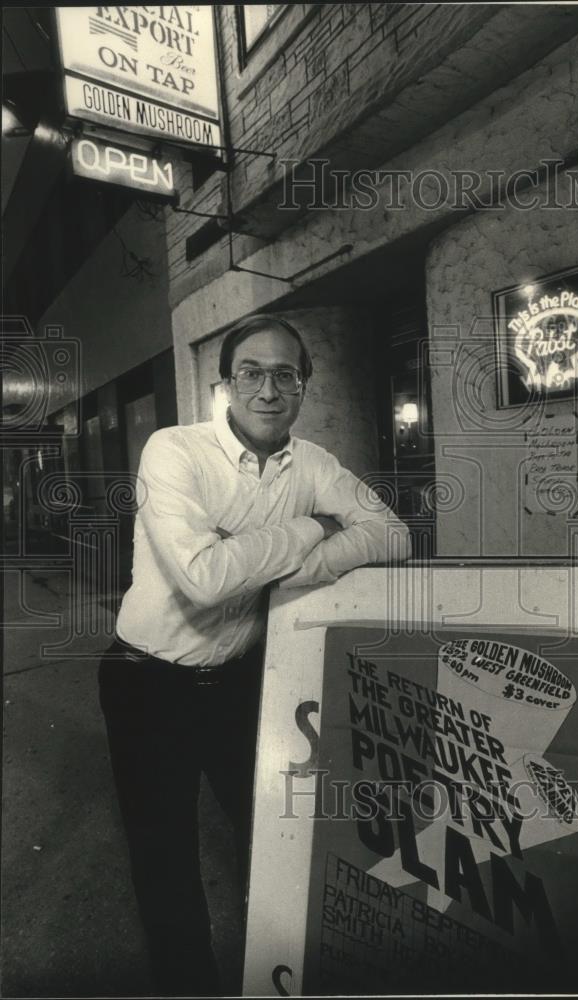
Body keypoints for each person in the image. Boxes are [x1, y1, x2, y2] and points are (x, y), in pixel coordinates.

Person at [98, 314, 410, 996]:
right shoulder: (173, 451)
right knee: (165, 853)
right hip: (148, 680)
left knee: (273, 834)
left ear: (302, 387)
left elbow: (393, 534)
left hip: (241, 679)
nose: (267, 389)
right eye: (251, 372)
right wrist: (308, 526)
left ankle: (278, 977)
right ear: (225, 384)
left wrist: (293, 570)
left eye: (284, 374)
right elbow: (204, 578)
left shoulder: (315, 462)